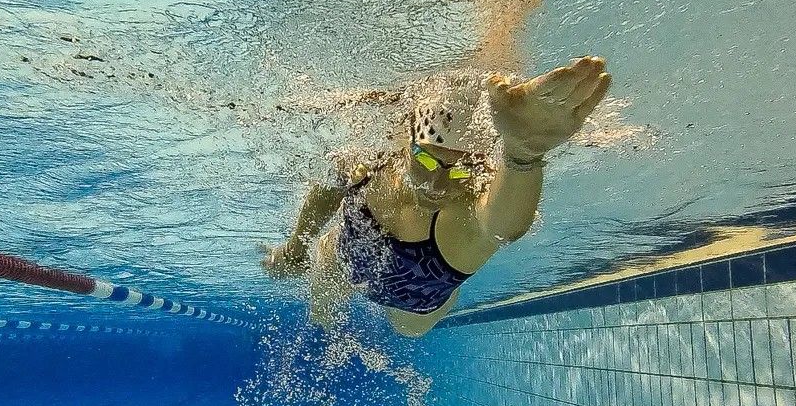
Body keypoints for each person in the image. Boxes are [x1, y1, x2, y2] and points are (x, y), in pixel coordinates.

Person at [261, 56, 611, 336]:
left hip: (414, 305)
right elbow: (327, 190)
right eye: (426, 160)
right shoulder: (369, 162)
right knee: (321, 304)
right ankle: (323, 325)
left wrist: (524, 153)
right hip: (345, 256)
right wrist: (295, 248)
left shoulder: (468, 215)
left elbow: (504, 227)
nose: (437, 185)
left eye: (461, 170)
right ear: (404, 144)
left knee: (407, 331)